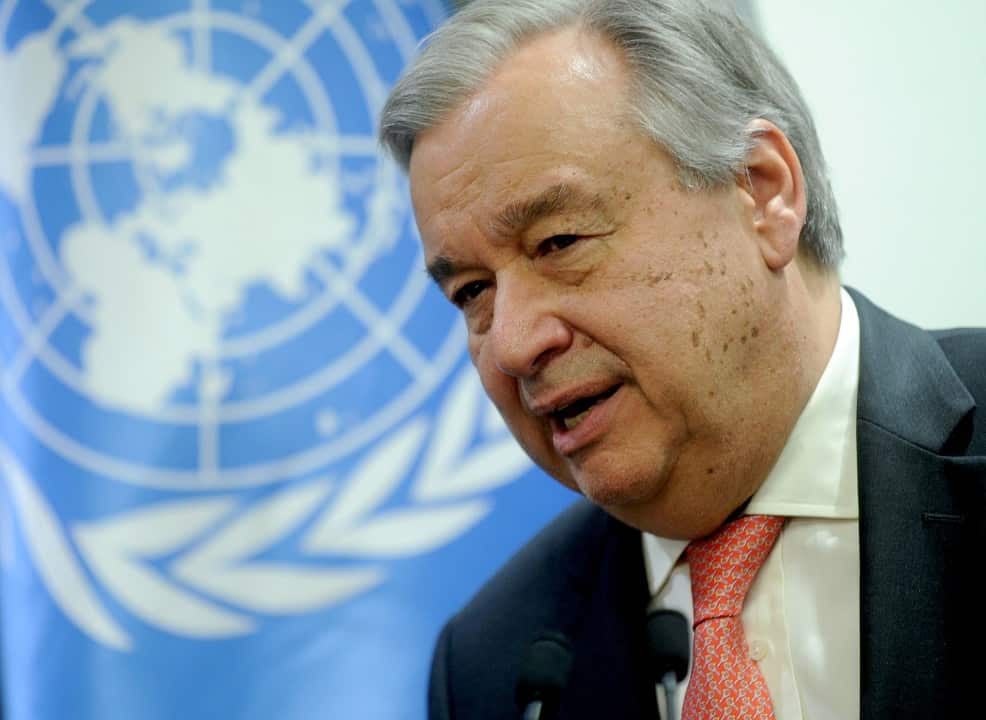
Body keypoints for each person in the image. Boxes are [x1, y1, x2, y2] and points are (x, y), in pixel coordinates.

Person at [379, 1, 986, 718]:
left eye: (559, 243)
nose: (513, 344)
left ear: (762, 192)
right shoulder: (491, 665)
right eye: (472, 292)